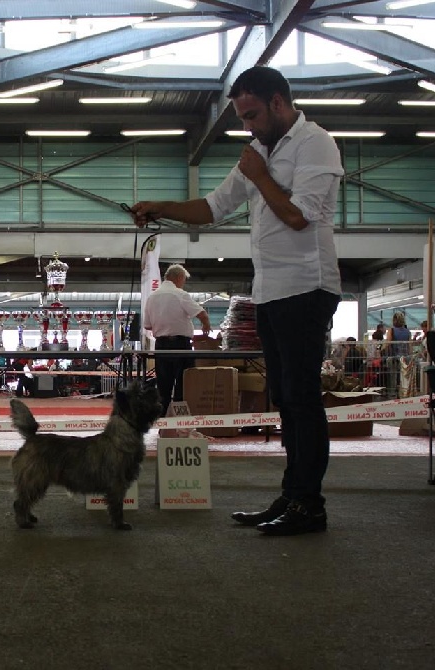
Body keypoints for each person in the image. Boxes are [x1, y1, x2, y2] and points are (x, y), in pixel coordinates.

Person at [131, 65, 343, 536]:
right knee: (286, 400)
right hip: (268, 292)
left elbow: (299, 218)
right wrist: (159, 207)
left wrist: (261, 175)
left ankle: (310, 505)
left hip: (307, 289)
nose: (247, 125)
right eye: (241, 117)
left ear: (279, 102)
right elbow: (212, 208)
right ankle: (292, 496)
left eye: (251, 115)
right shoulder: (257, 153)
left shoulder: (315, 143)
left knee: (302, 398)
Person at [143, 264, 211, 416]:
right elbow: (201, 313)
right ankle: (181, 420)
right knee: (184, 383)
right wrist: (206, 324)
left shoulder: (151, 297)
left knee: (163, 386)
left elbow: (147, 325)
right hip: (180, 345)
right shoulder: (180, 294)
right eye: (184, 280)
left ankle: (163, 422)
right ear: (179, 278)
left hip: (161, 346)